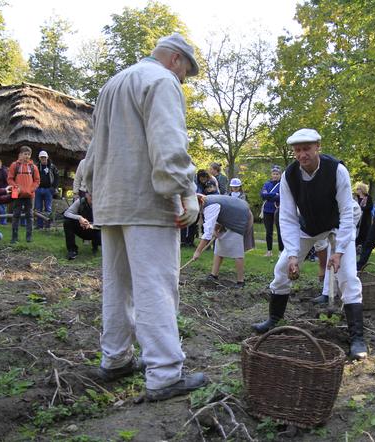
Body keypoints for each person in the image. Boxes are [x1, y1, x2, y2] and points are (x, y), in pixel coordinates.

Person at [81, 33, 207, 401]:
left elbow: (95, 146)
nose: (184, 79)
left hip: (112, 198)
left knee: (117, 283)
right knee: (156, 285)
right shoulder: (162, 81)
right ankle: (165, 373)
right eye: (187, 72)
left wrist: (90, 186)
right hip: (147, 199)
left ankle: (116, 358)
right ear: (176, 60)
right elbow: (169, 143)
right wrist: (184, 192)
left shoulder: (113, 83)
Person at [252, 128, 368, 360]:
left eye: (307, 149)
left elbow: (346, 212)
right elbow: (286, 216)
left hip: (337, 224)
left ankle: (357, 337)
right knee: (281, 269)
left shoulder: (337, 170)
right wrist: (293, 254)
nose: (302, 154)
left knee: (347, 276)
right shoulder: (289, 175)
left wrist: (341, 251)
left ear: (318, 147)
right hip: (307, 226)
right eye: (297, 150)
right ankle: (275, 319)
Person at [192, 194, 255, 287]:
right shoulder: (208, 202)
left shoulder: (210, 205)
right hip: (232, 217)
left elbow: (207, 233)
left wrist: (198, 251)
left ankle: (240, 281)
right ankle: (214, 275)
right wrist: (216, 229)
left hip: (240, 218)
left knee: (236, 251)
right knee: (219, 246)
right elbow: (221, 213)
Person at [7, 145, 40, 243]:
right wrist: (16, 188)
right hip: (17, 194)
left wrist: (31, 189)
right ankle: (14, 237)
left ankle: (29, 238)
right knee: (15, 215)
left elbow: (37, 181)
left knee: (29, 216)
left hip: (29, 195)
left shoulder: (33, 167)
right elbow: (10, 179)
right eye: (25, 154)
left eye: (29, 154)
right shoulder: (14, 165)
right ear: (20, 154)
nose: (27, 156)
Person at [63, 192, 101, 260]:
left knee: (103, 237)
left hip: (96, 230)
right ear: (86, 195)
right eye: (90, 195)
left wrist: (91, 225)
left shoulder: (103, 203)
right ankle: (72, 250)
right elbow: (67, 213)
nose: (93, 198)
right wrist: (79, 218)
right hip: (82, 229)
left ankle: (96, 246)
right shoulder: (80, 201)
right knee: (67, 222)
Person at [260, 166, 283, 257]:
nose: (275, 175)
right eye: (274, 173)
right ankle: (269, 251)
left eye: (277, 174)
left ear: (280, 175)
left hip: (278, 210)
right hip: (267, 210)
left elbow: (281, 196)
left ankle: (281, 251)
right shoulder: (267, 184)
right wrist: (274, 194)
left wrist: (269, 196)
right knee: (268, 232)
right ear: (271, 174)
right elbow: (263, 195)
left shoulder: (282, 184)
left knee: (280, 231)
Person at [34, 150, 59, 229]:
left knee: (48, 208)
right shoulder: (36, 166)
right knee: (38, 208)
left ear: (47, 157)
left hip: (48, 189)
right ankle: (39, 225)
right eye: (42, 158)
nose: (43, 159)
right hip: (38, 189)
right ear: (39, 158)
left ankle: (48, 225)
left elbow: (57, 177)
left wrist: (53, 188)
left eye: (44, 157)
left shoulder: (52, 166)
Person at [354, 182, 372, 250]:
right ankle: (355, 249)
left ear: (362, 189)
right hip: (357, 219)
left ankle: (363, 249)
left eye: (358, 189)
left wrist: (360, 208)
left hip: (365, 219)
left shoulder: (368, 198)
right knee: (356, 235)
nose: (357, 190)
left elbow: (370, 207)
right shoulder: (355, 198)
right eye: (357, 189)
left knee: (364, 234)